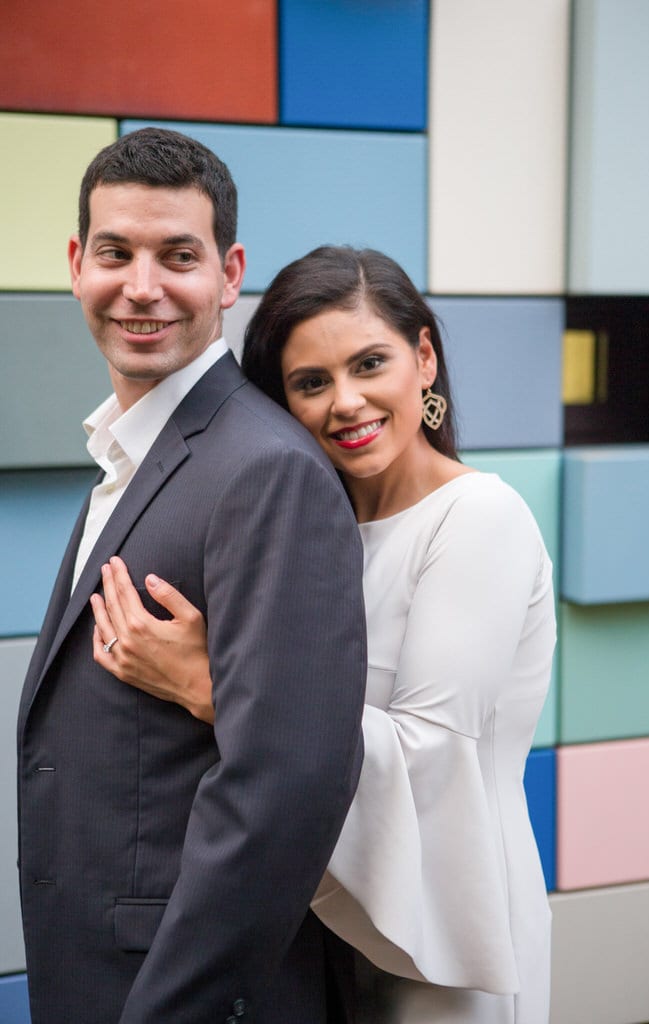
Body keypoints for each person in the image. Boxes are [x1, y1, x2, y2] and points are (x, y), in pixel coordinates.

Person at [91, 245, 557, 1024]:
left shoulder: (478, 519)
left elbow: (427, 756)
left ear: (424, 358)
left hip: (442, 935)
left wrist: (212, 686)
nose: (345, 402)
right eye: (310, 383)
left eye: (369, 364)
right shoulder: (320, 523)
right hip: (323, 923)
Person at [16, 132, 368, 1024]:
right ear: (75, 265)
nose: (142, 287)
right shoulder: (133, 452)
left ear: (228, 273)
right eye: (114, 253)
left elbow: (282, 790)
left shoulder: (264, 469)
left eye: (178, 255)